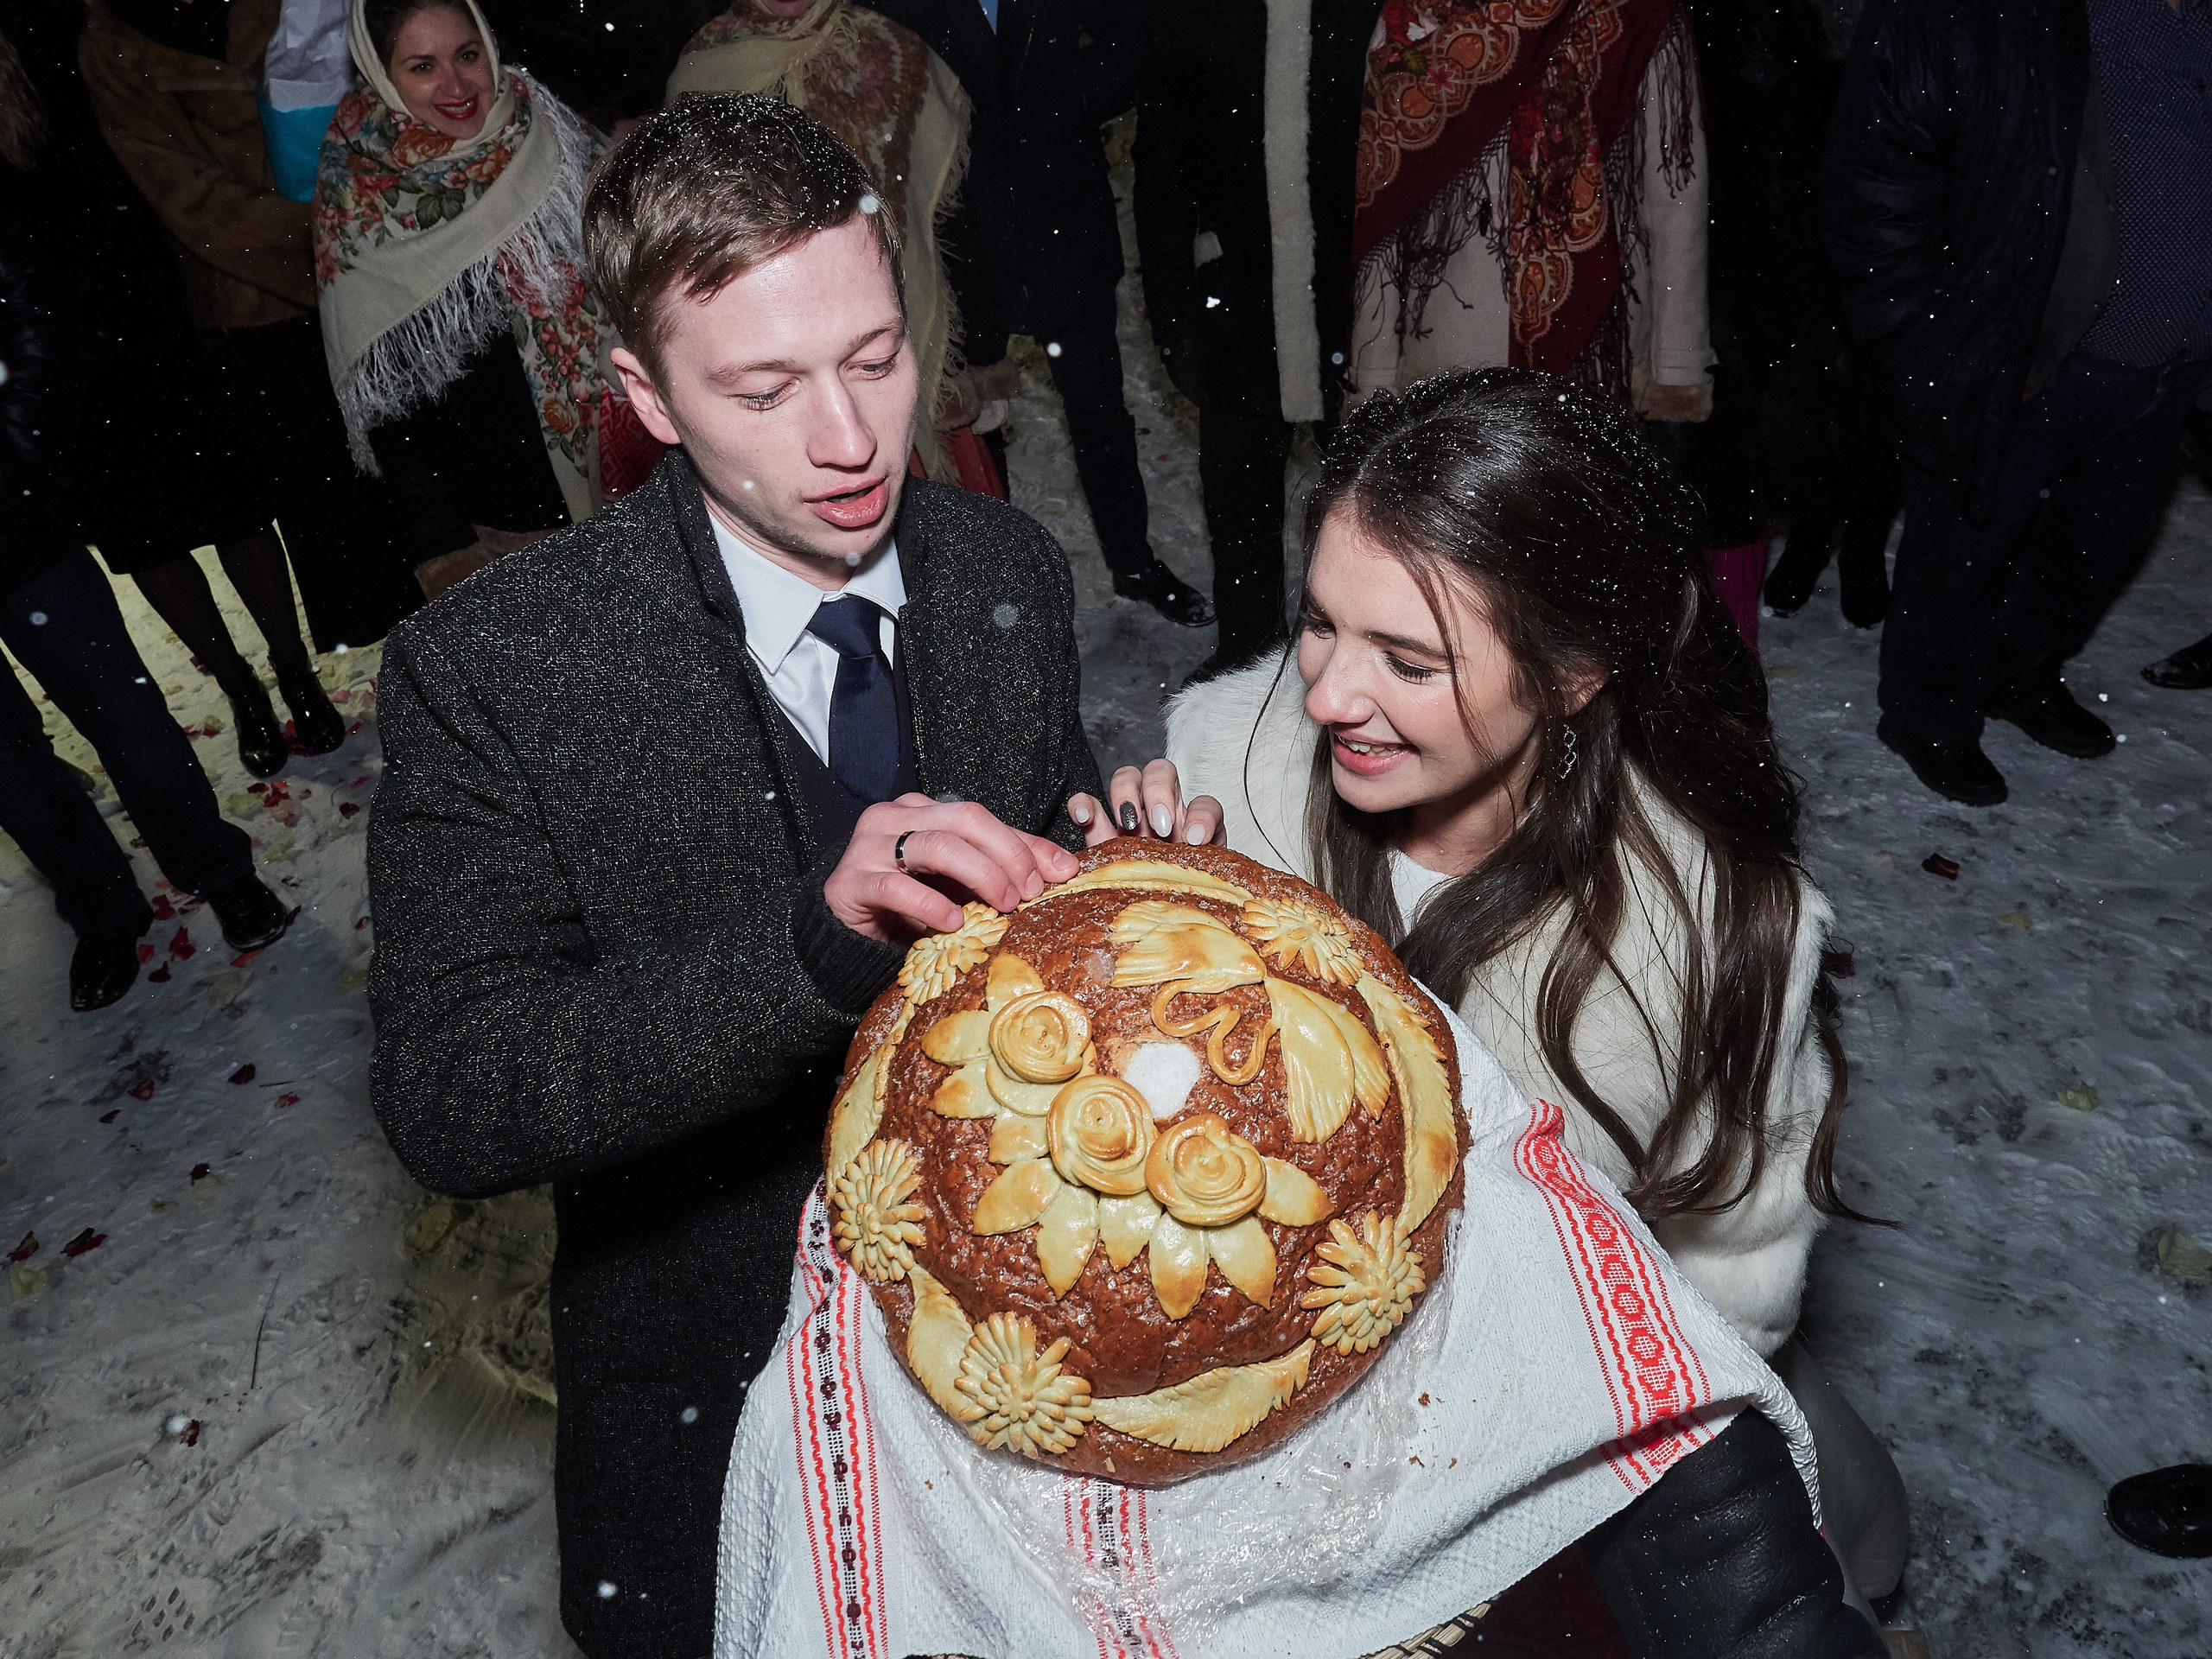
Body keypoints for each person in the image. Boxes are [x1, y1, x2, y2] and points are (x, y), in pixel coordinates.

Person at [366, 95, 1119, 1657]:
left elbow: (1041, 886)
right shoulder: (498, 670)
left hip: (1031, 1355)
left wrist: (1125, 880)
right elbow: (454, 1092)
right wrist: (810, 947)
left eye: (875, 358)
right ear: (642, 390)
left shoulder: (1004, 572)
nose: (850, 442)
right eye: (764, 388)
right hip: (725, 1372)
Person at [1158, 367, 1912, 1605]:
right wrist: (1134, 928)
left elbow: (1723, 1290)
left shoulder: (1714, 939)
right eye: (1321, 622)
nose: (1329, 694)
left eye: (1408, 659)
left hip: (1539, 1465)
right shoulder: (1221, 772)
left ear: (1572, 674)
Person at [1822, 0, 2212, 806]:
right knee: (1962, 554)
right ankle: (1927, 712)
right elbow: (1876, 182)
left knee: (2092, 552)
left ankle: (2020, 673)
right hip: (2018, 357)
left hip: (2170, 369)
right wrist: (1932, 346)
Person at [0, 58, 294, 1011]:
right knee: (7, 766)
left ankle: (221, 873)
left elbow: (31, 321)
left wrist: (21, 459)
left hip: (15, 521)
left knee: (124, 714)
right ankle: (101, 912)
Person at [78, 0, 419, 771]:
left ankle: (438, 678)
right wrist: (336, 235)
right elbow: (188, 202)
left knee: (413, 499)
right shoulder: (112, 43)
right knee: (333, 518)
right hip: (255, 310)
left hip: (371, 277)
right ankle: (360, 687)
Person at [851, 0, 1214, 626]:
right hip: (961, 242)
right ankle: (998, 580)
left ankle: (1132, 562)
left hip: (1064, 216)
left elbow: (1133, 39)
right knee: (973, 418)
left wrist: (1062, 99)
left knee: (1098, 408)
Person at [315, 0, 618, 599]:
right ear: (380, 72)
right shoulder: (361, 187)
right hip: (510, 513)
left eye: (468, 55)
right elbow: (390, 405)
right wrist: (447, 555)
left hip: (635, 461)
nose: (456, 86)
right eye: (422, 67)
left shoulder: (544, 121)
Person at [666, 0, 1010, 487]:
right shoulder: (706, 69)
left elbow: (951, 214)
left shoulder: (891, 42)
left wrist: (983, 350)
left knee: (963, 521)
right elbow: (698, 239)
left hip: (915, 321)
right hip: (788, 356)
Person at [1133, 0, 1380, 680]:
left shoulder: (1365, 13)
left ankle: (1371, 647)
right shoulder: (1195, 19)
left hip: (1355, 307)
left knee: (1373, 499)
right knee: (1240, 499)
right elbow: (1160, 177)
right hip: (1239, 306)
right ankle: (1250, 656)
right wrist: (1177, 317)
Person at [1344, 0, 1713, 419]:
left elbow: (1674, 193)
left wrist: (1677, 364)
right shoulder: (1412, 16)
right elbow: (1381, 202)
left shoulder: (1633, 13)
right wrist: (1373, 379)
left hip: (1590, 345)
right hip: (1442, 363)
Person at [1669, 0, 1898, 632]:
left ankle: (1862, 538)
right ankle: (1811, 529)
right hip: (1758, 184)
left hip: (1862, 162)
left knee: (1860, 377)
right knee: (1789, 382)